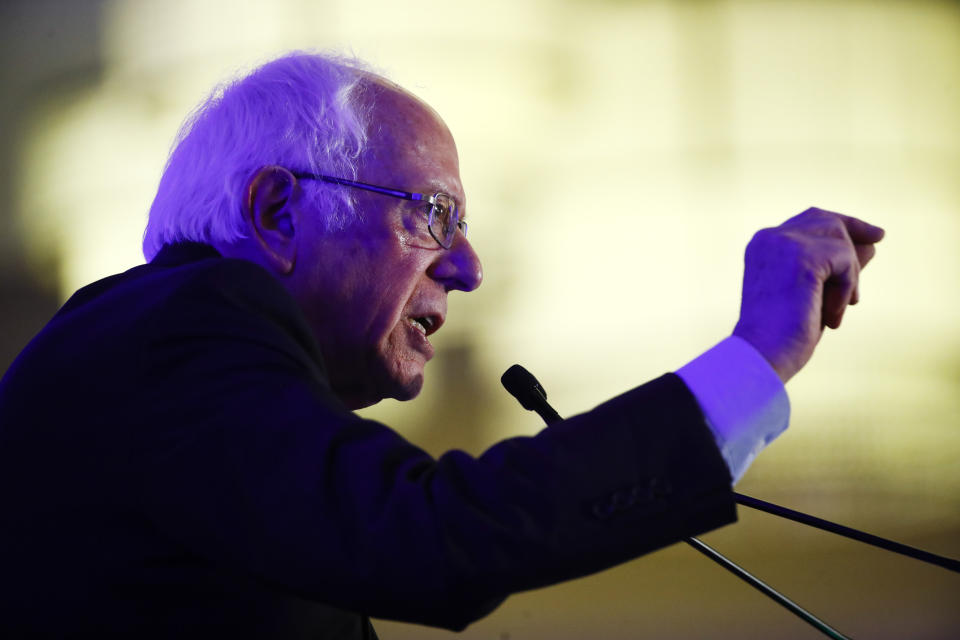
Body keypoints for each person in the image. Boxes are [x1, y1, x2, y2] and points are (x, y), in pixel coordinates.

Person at [0, 52, 884, 639]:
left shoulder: (184, 390)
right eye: (431, 215)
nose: (467, 267)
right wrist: (755, 360)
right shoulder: (180, 327)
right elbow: (431, 537)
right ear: (277, 213)